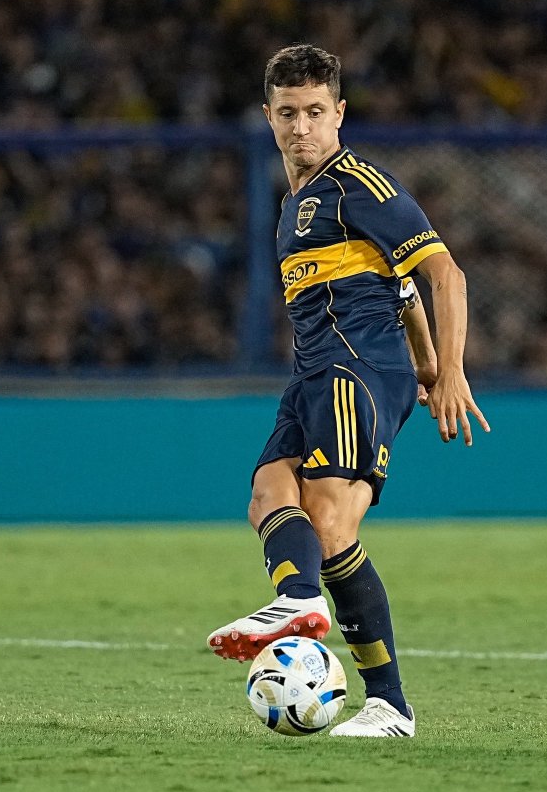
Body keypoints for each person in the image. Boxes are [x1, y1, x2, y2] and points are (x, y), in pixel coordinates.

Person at [207, 44, 489, 737]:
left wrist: (450, 371)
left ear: (338, 113)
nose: (300, 127)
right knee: (268, 492)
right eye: (287, 114)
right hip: (313, 371)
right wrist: (427, 366)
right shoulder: (292, 206)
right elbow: (400, 288)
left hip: (356, 368)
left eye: (313, 112)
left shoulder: (359, 183)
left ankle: (376, 689)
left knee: (330, 521)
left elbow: (443, 275)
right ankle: (313, 614)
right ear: (268, 117)